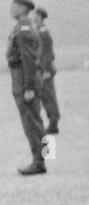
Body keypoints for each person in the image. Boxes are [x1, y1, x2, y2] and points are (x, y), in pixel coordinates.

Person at [8, 0, 46, 175]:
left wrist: (29, 87)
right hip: (22, 78)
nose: (11, 9)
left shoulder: (23, 27)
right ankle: (45, 159)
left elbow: (28, 59)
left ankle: (39, 162)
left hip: (23, 79)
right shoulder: (23, 25)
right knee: (36, 120)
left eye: (15, 6)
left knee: (31, 122)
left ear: (24, 8)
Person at [32, 7, 60, 135]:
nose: (33, 17)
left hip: (45, 70)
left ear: (40, 17)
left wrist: (46, 70)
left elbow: (47, 54)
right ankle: (52, 122)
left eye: (35, 15)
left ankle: (53, 123)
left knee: (48, 97)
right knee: (45, 96)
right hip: (41, 69)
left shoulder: (43, 32)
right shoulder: (39, 30)